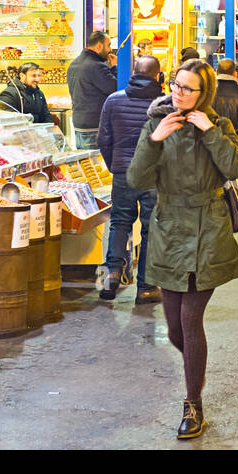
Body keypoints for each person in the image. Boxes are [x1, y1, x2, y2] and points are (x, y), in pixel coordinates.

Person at [126, 61, 238, 440]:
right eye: (176, 85)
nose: (178, 93)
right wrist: (154, 140)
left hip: (209, 228)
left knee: (191, 321)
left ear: (203, 94)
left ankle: (193, 404)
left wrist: (210, 131)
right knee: (176, 327)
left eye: (187, 89)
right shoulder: (157, 124)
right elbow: (136, 179)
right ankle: (196, 363)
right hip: (168, 230)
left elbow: (233, 168)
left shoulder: (220, 126)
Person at [96, 56, 164, 303]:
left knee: (119, 223)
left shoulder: (113, 101)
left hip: (123, 173)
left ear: (133, 72)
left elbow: (103, 140)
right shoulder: (165, 105)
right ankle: (146, 287)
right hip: (154, 176)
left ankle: (110, 278)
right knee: (151, 229)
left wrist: (115, 166)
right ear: (158, 76)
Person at [68, 31, 118, 150]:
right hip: (94, 126)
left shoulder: (74, 64)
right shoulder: (96, 66)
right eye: (109, 45)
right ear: (99, 46)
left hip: (80, 123)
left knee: (86, 164)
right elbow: (115, 88)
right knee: (98, 165)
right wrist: (115, 66)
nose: (110, 49)